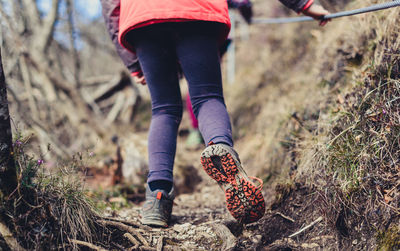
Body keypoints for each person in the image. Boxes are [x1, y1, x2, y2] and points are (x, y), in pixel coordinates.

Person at [100, 0, 330, 227]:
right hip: (196, 12)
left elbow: (111, 5)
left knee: (164, 109)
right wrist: (304, 4)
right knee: (207, 97)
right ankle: (221, 148)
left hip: (143, 18)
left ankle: (157, 198)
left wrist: (130, 61)